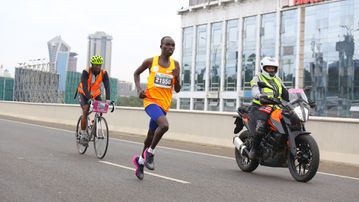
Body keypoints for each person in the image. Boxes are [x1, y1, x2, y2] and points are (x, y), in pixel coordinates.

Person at [132, 36, 181, 180]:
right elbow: (136, 73)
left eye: (173, 45)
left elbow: (177, 89)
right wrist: (139, 89)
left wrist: (177, 78)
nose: (170, 48)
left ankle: (140, 161)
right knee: (164, 125)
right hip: (150, 101)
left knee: (150, 137)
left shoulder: (175, 65)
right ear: (161, 46)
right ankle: (150, 153)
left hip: (164, 105)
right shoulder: (150, 62)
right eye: (167, 45)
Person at [248, 56, 289, 159]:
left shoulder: (277, 79)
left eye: (273, 68)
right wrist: (259, 95)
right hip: (260, 106)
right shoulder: (258, 77)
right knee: (261, 126)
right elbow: (254, 89)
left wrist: (299, 97)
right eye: (269, 68)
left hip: (276, 108)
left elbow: (286, 93)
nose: (271, 70)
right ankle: (254, 148)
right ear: (263, 67)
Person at [77, 55, 111, 146]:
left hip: (95, 94)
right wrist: (89, 98)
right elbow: (84, 86)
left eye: (99, 65)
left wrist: (108, 99)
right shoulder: (86, 72)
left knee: (101, 110)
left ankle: (93, 124)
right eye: (96, 65)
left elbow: (107, 86)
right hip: (83, 93)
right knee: (86, 109)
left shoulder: (103, 73)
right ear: (92, 65)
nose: (98, 67)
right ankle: (83, 133)